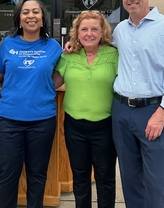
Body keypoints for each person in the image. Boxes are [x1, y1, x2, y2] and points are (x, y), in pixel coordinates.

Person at [111, 0, 164, 208]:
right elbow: (96, 46)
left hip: (154, 111)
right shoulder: (119, 30)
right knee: (130, 178)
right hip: (121, 111)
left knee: (156, 181)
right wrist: (73, 45)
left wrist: (162, 112)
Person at [0, 0, 62, 208]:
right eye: (25, 12)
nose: (30, 15)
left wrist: (45, 87)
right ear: (19, 19)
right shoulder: (7, 44)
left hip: (42, 120)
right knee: (7, 174)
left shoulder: (53, 46)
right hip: (9, 120)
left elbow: (60, 75)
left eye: (35, 12)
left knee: (37, 174)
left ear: (42, 18)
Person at [53, 11, 118, 208]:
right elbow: (53, 82)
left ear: (102, 32)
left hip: (105, 127)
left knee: (105, 178)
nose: (89, 33)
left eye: (94, 29)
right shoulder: (69, 56)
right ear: (77, 33)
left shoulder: (114, 54)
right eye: (84, 29)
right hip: (75, 127)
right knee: (80, 178)